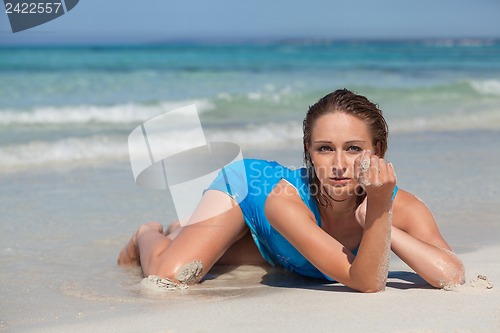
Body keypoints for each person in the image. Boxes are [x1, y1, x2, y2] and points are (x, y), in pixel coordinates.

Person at [118, 89, 465, 292]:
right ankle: (147, 234)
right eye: (325, 148)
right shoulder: (284, 201)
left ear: (379, 151)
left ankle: (185, 228)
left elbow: (452, 274)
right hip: (247, 194)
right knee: (173, 275)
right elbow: (366, 282)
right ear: (308, 151)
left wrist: (380, 215)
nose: (340, 164)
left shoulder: (398, 205)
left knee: (223, 257)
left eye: (355, 148)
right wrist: (377, 215)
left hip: (276, 248)